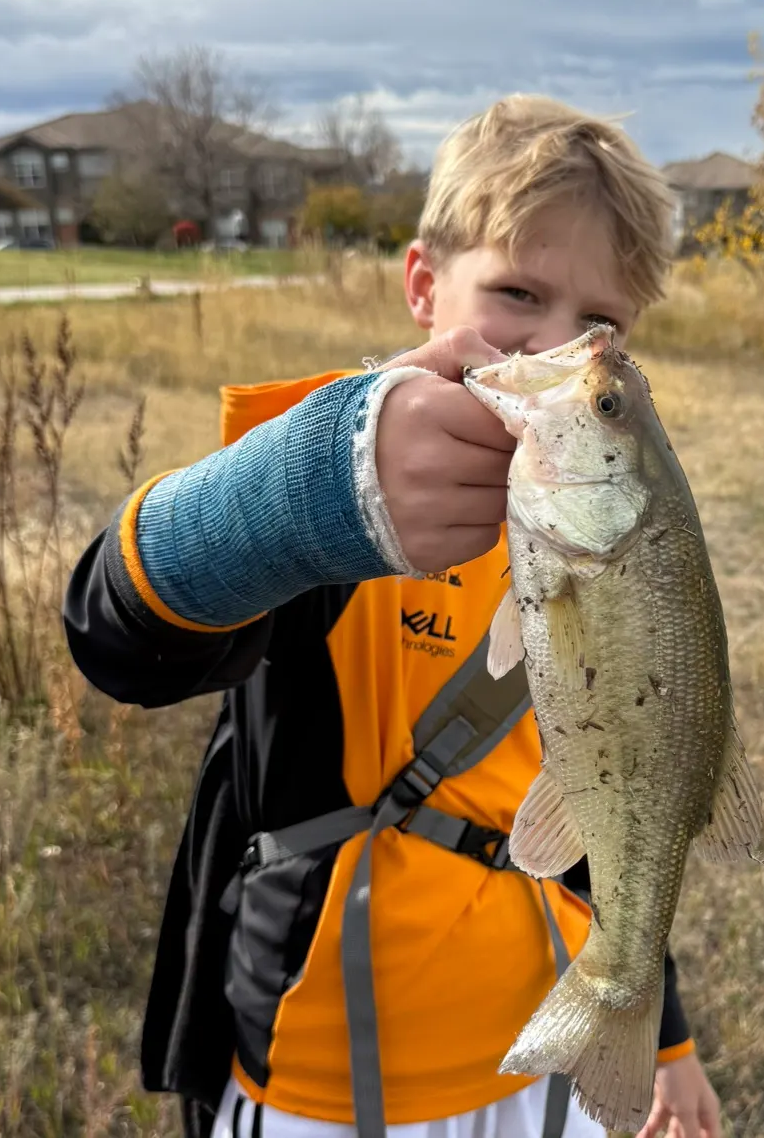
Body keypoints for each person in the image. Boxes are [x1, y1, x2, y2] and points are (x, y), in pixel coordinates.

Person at [64, 96, 723, 1138]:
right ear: (424, 285)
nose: (559, 346)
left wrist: (668, 1031)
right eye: (517, 292)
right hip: (326, 1079)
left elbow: (625, 795)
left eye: (602, 329)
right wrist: (326, 489)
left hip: (539, 1054)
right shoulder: (330, 465)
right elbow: (113, 634)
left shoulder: (602, 522)